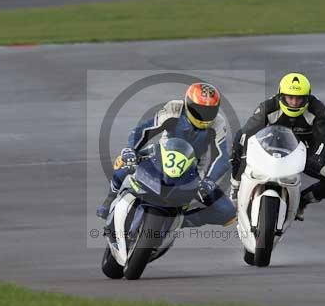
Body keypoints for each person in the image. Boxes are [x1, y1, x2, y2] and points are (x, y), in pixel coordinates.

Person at [97, 82, 236, 227]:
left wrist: (209, 180)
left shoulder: (218, 122)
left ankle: (178, 222)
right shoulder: (175, 108)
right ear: (188, 104)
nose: (204, 116)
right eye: (199, 110)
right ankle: (109, 199)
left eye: (209, 111)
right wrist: (130, 149)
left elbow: (222, 157)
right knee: (124, 163)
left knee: (228, 213)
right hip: (160, 155)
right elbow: (144, 129)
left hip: (193, 170)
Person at [230, 72, 325, 220]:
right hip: (268, 151)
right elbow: (246, 133)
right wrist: (242, 151)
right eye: (290, 97)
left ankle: (302, 202)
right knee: (238, 148)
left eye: (299, 99)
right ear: (281, 96)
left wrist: (318, 158)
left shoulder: (318, 111)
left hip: (305, 154)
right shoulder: (268, 107)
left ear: (307, 98)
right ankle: (235, 189)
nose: (293, 102)